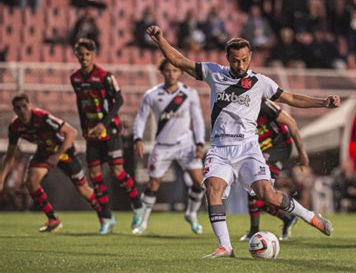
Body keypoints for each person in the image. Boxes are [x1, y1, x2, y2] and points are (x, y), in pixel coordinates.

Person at [146, 25, 341, 258]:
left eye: (245, 60)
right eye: (236, 60)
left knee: (268, 195)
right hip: (220, 149)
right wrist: (160, 40)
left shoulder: (260, 82)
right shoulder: (213, 73)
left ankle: (310, 217)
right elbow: (179, 61)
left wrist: (323, 103)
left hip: (248, 149)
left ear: (251, 58)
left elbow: (291, 98)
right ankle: (226, 247)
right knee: (212, 188)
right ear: (227, 58)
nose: (240, 65)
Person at [70, 38, 144, 234]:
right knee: (95, 176)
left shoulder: (105, 77)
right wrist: (85, 127)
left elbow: (119, 100)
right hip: (92, 134)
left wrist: (103, 124)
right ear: (76, 55)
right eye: (81, 54)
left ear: (94, 55)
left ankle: (138, 206)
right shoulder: (75, 78)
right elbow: (80, 104)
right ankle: (107, 218)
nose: (84, 58)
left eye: (87, 54)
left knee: (118, 172)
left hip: (110, 131)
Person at [0, 93, 102, 232]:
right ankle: (53, 219)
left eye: (24, 106)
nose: (22, 110)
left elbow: (72, 132)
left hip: (65, 152)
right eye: (18, 108)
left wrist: (57, 155)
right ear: (14, 110)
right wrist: (2, 178)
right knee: (31, 181)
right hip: (44, 152)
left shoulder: (43, 117)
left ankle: (104, 214)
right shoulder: (15, 127)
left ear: (29, 105)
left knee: (83, 190)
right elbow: (10, 154)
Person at [132, 59, 206, 235]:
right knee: (153, 184)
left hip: (186, 144)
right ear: (162, 72)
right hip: (162, 146)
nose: (171, 74)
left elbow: (198, 120)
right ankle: (142, 224)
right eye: (167, 71)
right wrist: (138, 139)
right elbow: (141, 118)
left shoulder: (189, 93)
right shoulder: (152, 94)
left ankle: (191, 214)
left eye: (175, 70)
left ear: (180, 72)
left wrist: (200, 142)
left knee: (199, 183)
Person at [240, 98, 309, 241]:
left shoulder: (261, 103)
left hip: (279, 147)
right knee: (262, 196)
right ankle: (287, 218)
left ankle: (254, 231)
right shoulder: (236, 109)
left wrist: (302, 152)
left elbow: (291, 123)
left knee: (257, 187)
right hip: (260, 150)